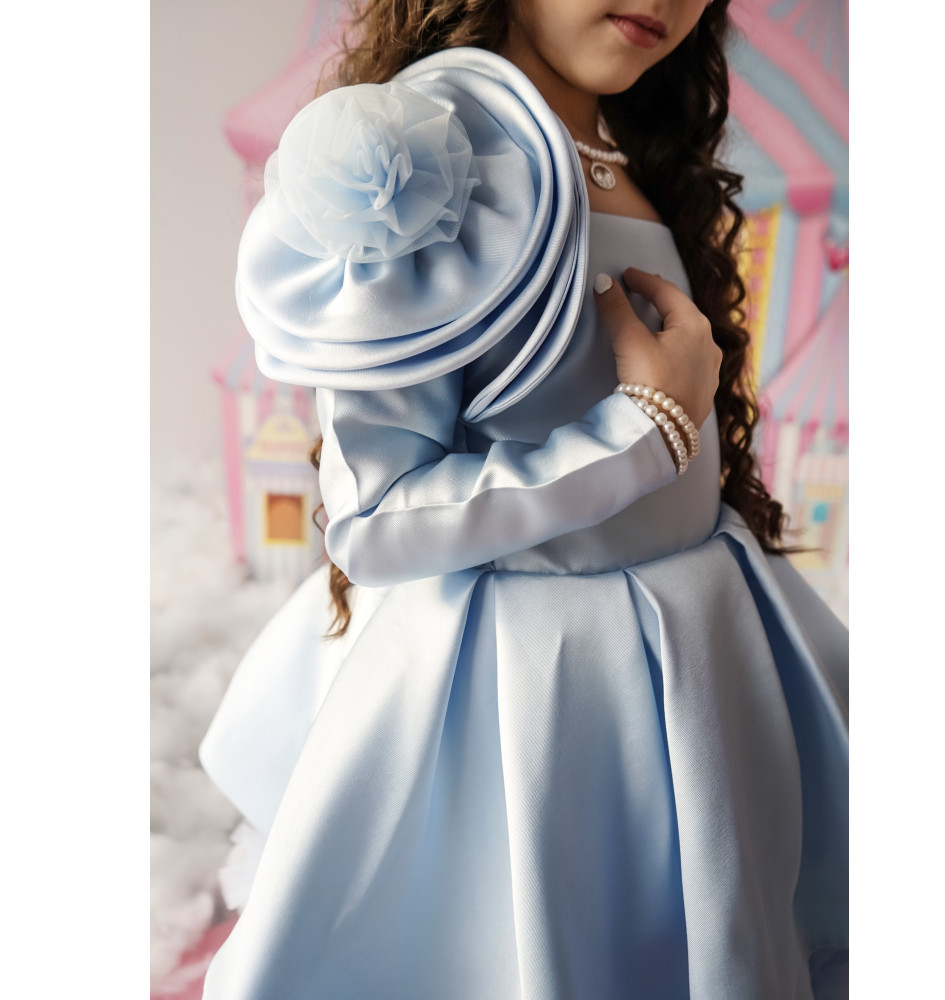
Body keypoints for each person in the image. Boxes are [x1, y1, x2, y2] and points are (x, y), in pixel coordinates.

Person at [200, 0, 848, 997]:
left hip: (691, 657)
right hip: (535, 692)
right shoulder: (422, 155)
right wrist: (641, 435)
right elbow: (377, 519)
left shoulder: (627, 143)